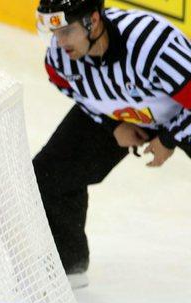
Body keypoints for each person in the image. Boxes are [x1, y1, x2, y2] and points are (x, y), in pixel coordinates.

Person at [34, 0, 191, 288]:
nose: (60, 42)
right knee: (48, 174)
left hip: (182, 111)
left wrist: (169, 138)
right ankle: (69, 264)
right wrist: (113, 125)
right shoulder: (59, 60)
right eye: (54, 33)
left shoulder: (154, 45)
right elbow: (71, 88)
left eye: (67, 31)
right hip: (126, 114)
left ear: (93, 20)